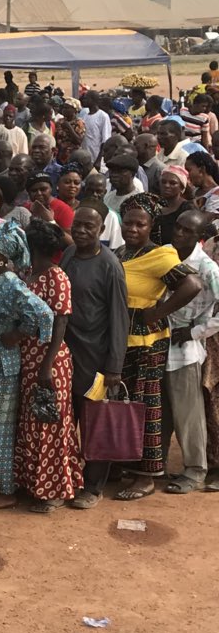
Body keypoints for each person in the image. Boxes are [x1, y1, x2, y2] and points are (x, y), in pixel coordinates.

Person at [111, 194, 203, 501]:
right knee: (123, 404)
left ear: (152, 226)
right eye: (129, 222)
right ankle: (124, 463)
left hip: (148, 343)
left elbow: (192, 285)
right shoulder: (121, 252)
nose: (133, 228)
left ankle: (146, 476)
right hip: (121, 338)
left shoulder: (160, 255)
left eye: (141, 223)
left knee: (146, 406)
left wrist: (157, 313)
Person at [0, 221, 54, 510]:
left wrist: (16, 335)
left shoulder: (10, 283)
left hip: (1, 368)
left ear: (3, 257)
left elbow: (44, 314)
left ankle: (4, 491)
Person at [60, 205, 129, 508]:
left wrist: (114, 365)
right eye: (78, 225)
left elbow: (119, 317)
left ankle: (93, 487)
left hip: (98, 360)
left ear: (101, 231)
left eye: (90, 226)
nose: (82, 230)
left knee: (94, 425)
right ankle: (67, 480)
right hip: (67, 356)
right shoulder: (69, 255)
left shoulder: (110, 265)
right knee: (66, 423)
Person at [13, 220, 82, 512]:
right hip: (28, 357)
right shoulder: (29, 274)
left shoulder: (57, 278)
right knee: (31, 422)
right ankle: (33, 484)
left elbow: (61, 322)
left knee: (49, 424)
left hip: (49, 360)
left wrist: (47, 365)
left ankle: (54, 490)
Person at [160, 210, 219, 494]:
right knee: (161, 410)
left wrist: (196, 332)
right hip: (158, 340)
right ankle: (155, 464)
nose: (179, 233)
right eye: (178, 228)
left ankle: (195, 469)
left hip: (185, 346)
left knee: (188, 412)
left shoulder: (207, 268)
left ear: (200, 237)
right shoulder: (165, 254)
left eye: (187, 231)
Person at [153, 165, 194, 245]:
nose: (167, 185)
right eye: (163, 182)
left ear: (182, 187)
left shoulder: (188, 209)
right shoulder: (152, 204)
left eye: (173, 183)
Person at [80, 91, 112, 162]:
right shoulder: (84, 117)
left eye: (86, 98)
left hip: (97, 158)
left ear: (93, 100)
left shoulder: (103, 116)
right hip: (86, 158)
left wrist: (98, 160)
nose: (84, 100)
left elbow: (105, 140)